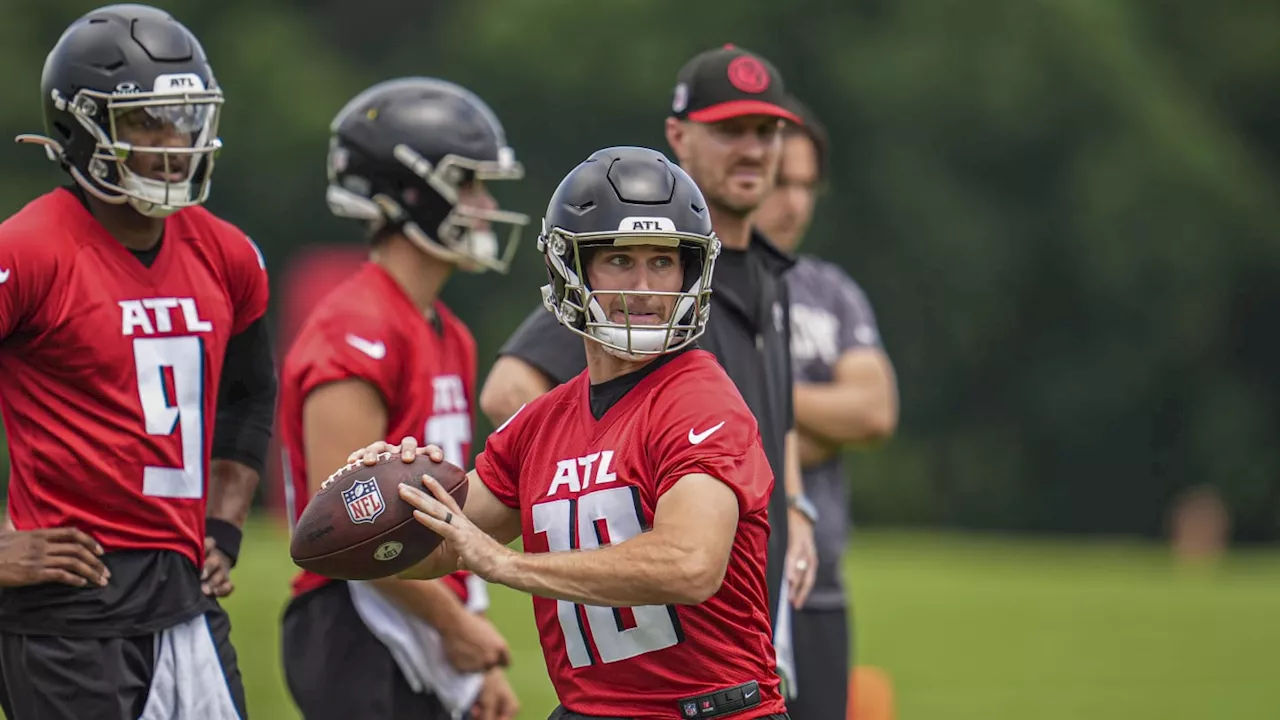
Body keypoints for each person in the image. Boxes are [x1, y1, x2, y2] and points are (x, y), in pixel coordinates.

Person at [335, 146, 790, 720]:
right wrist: (385, 501)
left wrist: (507, 565)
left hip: (706, 711)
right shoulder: (541, 423)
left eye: (663, 262)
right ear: (570, 268)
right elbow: (437, 547)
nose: (647, 288)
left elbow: (690, 563)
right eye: (620, 261)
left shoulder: (697, 398)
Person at [478, 43, 818, 693]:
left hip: (736, 626)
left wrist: (794, 501)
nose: (752, 149)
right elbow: (515, 389)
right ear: (679, 135)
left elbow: (776, 422)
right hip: (644, 644)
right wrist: (595, 471)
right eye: (729, 130)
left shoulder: (768, 276)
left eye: (766, 131)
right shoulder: (623, 283)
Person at [0, 5, 276, 719]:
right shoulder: (27, 251)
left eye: (183, 120)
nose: (172, 144)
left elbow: (249, 394)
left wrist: (224, 522)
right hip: (70, 607)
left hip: (185, 594)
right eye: (145, 123)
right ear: (82, 126)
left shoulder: (227, 253)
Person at [278, 77, 524, 720]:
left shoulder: (447, 329)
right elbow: (350, 525)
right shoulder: (356, 328)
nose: (484, 202)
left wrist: (462, 650)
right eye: (468, 182)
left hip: (418, 606)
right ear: (411, 191)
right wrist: (454, 628)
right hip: (357, 621)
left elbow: (445, 508)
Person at [751, 97, 899, 718]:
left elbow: (874, 411)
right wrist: (815, 420)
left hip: (821, 580)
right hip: (733, 584)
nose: (797, 204)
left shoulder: (831, 292)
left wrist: (761, 397)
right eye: (782, 183)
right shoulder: (692, 280)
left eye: (809, 186)